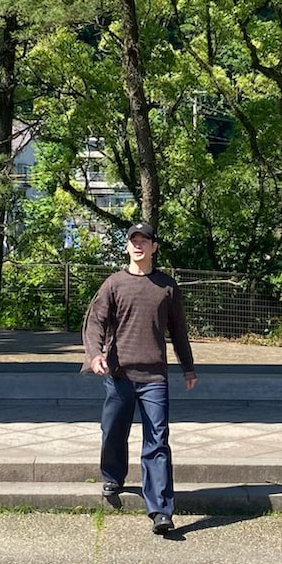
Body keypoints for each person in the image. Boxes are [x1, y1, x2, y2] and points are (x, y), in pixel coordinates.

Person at [81, 221, 197, 535]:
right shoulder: (114, 284)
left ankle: (160, 510)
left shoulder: (167, 286)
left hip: (155, 377)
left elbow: (179, 330)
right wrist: (95, 355)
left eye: (144, 240)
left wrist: (188, 367)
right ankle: (113, 476)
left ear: (153, 247)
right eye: (133, 240)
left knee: (157, 441)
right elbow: (95, 323)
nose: (138, 245)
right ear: (127, 246)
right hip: (119, 374)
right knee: (113, 431)